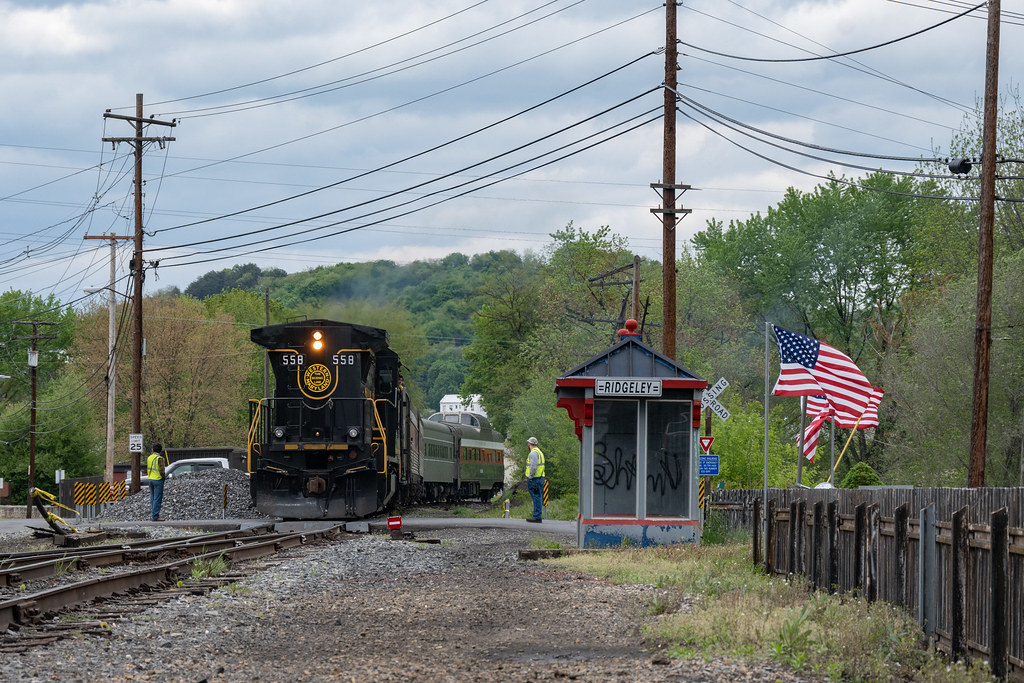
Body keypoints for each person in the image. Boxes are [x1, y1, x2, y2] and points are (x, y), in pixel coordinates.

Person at [525, 436, 545, 523]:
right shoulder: (539, 452)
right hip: (540, 477)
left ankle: (537, 516)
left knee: (536, 497)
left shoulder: (533, 453)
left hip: (534, 478)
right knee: (539, 496)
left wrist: (530, 476)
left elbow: (533, 466)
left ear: (529, 444)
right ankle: (537, 515)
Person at [147, 443, 167, 522]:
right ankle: (155, 516)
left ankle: (154, 514)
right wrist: (163, 478)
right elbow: (162, 470)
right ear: (160, 450)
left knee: (153, 498)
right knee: (157, 498)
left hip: (150, 479)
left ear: (153, 449)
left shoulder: (149, 458)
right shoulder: (160, 458)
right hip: (158, 479)